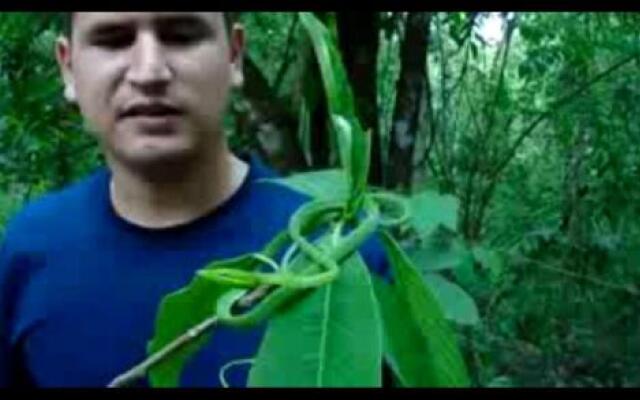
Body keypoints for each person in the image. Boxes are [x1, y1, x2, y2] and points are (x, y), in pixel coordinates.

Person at [0, 12, 389, 387]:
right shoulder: (28, 253)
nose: (149, 71)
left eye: (181, 36)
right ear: (68, 68)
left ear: (233, 56)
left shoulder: (341, 249)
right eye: (113, 40)